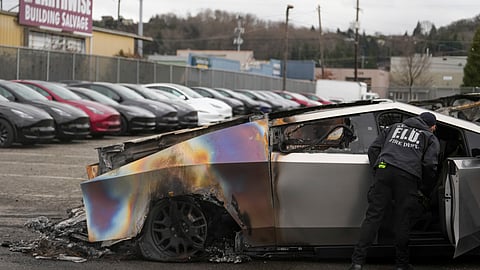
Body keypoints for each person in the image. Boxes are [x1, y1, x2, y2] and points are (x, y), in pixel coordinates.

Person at [348, 112, 440, 270]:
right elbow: (430, 165)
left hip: (384, 170)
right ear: (432, 127)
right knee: (403, 220)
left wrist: (378, 171)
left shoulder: (394, 127)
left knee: (373, 217)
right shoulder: (429, 137)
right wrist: (424, 187)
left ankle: (357, 262)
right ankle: (401, 265)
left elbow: (373, 149)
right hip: (408, 176)